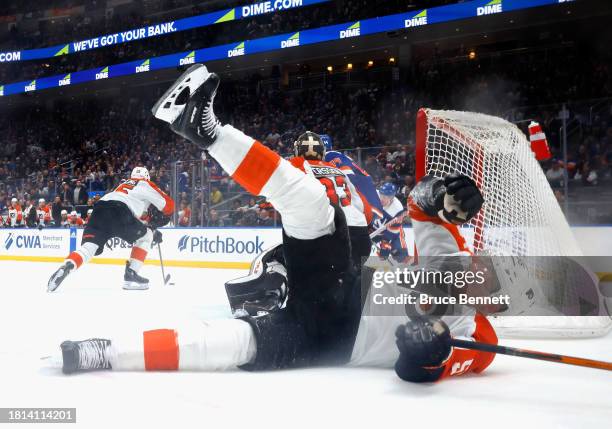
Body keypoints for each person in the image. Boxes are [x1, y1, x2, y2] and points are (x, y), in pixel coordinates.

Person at [57, 64, 495, 383]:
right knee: (308, 203)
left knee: (231, 343)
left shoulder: (474, 338)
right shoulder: (453, 274)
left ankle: (104, 352)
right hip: (343, 286)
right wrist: (440, 196)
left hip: (332, 339)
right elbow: (423, 210)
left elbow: (421, 368)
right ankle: (205, 130)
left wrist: (428, 355)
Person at [47, 166, 175, 292]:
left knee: (89, 248)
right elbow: (169, 205)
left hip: (100, 209)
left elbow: (136, 215)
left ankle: (68, 265)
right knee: (146, 236)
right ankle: (130, 276)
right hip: (120, 211)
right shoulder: (145, 184)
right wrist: (154, 226)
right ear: (146, 177)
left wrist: (149, 225)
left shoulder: (121, 185)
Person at [374, 182, 410, 264]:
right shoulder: (373, 195)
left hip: (393, 232)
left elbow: (393, 231)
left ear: (392, 197)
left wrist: (385, 244)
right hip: (373, 228)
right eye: (382, 195)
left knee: (400, 254)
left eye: (386, 197)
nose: (382, 199)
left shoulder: (397, 209)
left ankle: (408, 270)